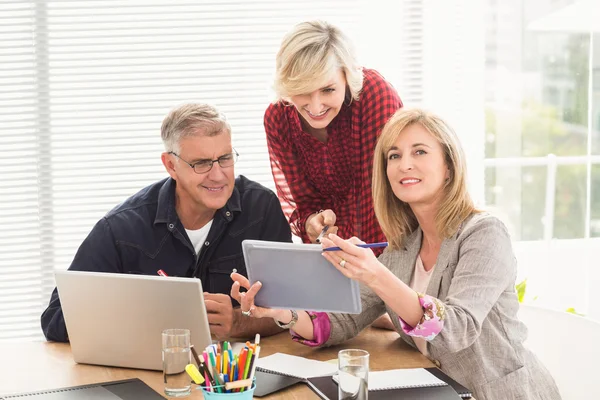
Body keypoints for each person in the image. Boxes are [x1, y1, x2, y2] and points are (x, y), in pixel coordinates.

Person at [232, 108, 561, 400]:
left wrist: (375, 273)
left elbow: (455, 330)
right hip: (434, 389)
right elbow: (342, 321)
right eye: (393, 155)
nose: (405, 165)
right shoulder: (403, 247)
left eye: (419, 152)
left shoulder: (484, 233)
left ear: (448, 166)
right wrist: (284, 312)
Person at [41, 103, 292, 343]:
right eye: (201, 163)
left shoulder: (261, 208)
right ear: (171, 165)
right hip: (150, 373)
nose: (218, 175)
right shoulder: (121, 228)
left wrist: (238, 322)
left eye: (225, 158)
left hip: (234, 378)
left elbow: (297, 310)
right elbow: (56, 320)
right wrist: (150, 314)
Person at [264, 20, 403, 247]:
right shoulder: (278, 118)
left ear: (347, 77)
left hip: (387, 248)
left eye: (328, 89)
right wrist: (312, 223)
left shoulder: (375, 96)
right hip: (329, 254)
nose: (316, 107)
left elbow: (382, 195)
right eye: (302, 92)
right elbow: (304, 203)